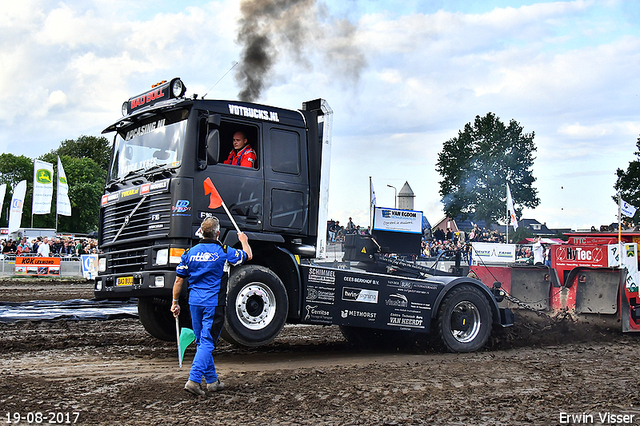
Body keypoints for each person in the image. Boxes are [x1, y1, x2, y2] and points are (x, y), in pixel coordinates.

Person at [170, 216, 253, 396]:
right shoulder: (224, 251)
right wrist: (244, 241)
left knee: (201, 341)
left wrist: (175, 302)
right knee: (207, 342)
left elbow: (178, 280)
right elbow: (247, 255)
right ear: (217, 233)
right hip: (213, 303)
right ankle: (193, 379)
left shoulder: (189, 253)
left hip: (194, 303)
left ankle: (212, 381)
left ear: (201, 232)